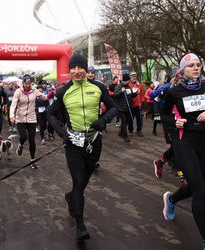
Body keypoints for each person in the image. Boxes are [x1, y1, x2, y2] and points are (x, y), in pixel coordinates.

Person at [48, 54, 118, 241]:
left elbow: (114, 108)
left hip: (93, 142)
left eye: (80, 68)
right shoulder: (63, 92)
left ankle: (72, 197)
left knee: (82, 182)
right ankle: (80, 225)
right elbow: (51, 115)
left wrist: (104, 120)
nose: (77, 72)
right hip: (73, 143)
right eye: (73, 68)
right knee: (78, 181)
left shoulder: (98, 87)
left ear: (86, 70)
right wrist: (63, 134)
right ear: (69, 70)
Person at [161, 53, 205, 250]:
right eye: (191, 65)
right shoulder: (174, 92)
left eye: (198, 65)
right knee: (200, 191)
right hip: (184, 142)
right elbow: (162, 115)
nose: (196, 68)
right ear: (182, 70)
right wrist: (174, 121)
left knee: (196, 186)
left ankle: (171, 199)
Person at [9, 75, 47, 169]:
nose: (28, 85)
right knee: (23, 137)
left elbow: (44, 97)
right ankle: (20, 145)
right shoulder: (18, 91)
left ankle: (32, 161)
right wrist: (11, 116)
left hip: (31, 118)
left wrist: (52, 95)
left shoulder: (34, 90)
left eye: (29, 83)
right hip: (20, 118)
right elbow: (13, 105)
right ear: (23, 83)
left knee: (32, 140)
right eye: (26, 83)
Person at [113, 74, 137, 142]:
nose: (130, 81)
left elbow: (130, 95)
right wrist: (121, 91)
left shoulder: (128, 86)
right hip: (121, 108)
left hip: (128, 107)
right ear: (127, 80)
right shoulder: (119, 86)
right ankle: (125, 136)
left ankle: (121, 133)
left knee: (128, 121)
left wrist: (135, 93)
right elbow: (115, 95)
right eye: (129, 80)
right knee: (124, 121)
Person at [128, 72, 144, 136]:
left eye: (135, 76)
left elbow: (142, 94)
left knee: (139, 119)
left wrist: (142, 100)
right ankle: (130, 130)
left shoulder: (139, 85)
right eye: (132, 76)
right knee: (130, 119)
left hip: (138, 105)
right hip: (131, 105)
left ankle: (139, 130)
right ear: (130, 77)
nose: (134, 77)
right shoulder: (128, 85)